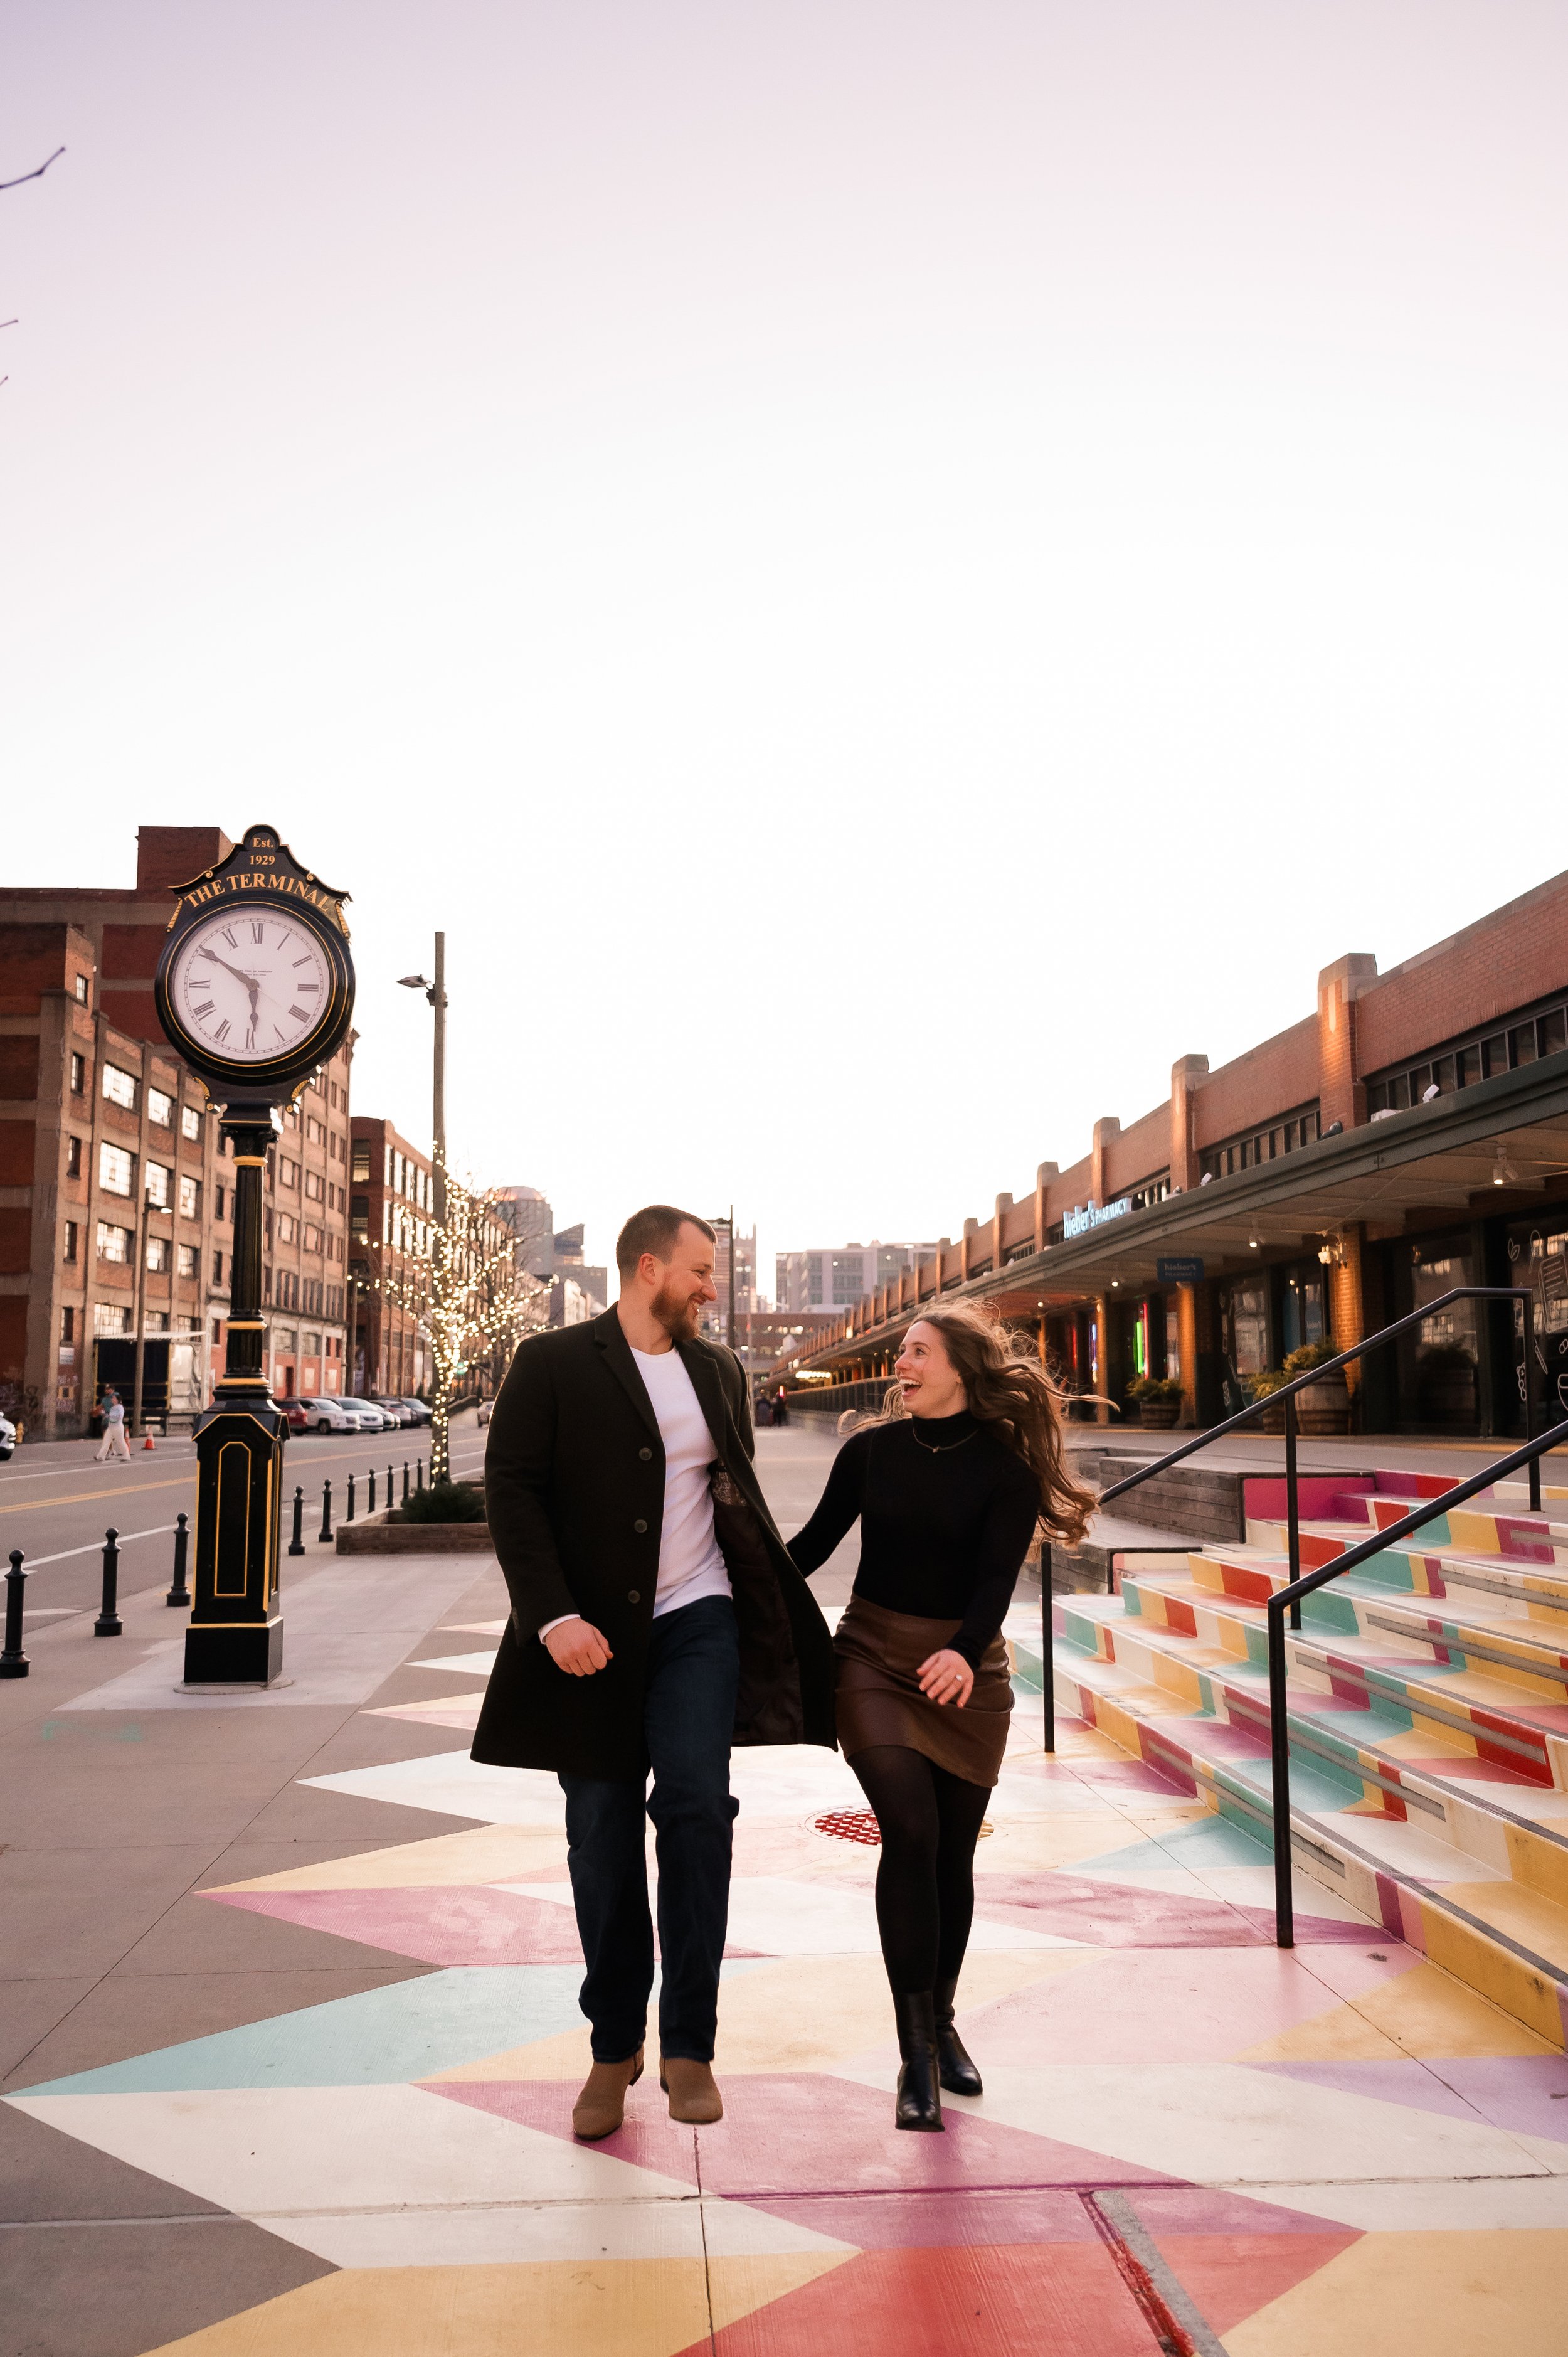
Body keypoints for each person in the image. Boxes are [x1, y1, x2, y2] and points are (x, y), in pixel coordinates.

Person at [472, 1205, 835, 2141]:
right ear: (648, 1268)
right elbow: (513, 1488)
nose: (712, 1286)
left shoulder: (717, 1369)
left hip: (697, 1620)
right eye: (701, 1270)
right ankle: (612, 2044)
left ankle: (690, 2044)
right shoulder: (551, 1363)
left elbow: (735, 1495)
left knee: (696, 1807)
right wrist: (551, 1616)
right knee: (598, 1829)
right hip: (588, 1637)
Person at [788, 1301, 1094, 2132]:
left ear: (960, 1364)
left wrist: (964, 1649)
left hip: (966, 1671)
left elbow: (996, 1581)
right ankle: (914, 2056)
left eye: (918, 1352)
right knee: (912, 1831)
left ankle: (944, 2020)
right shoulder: (869, 1453)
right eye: (902, 1353)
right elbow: (807, 1551)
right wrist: (718, 1569)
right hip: (872, 1661)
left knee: (952, 1855)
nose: (903, 1365)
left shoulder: (1006, 1469)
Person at [95, 1388, 130, 1463]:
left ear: (117, 1400)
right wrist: (104, 1414)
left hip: (118, 1427)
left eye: (113, 1398)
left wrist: (110, 1416)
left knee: (120, 1442)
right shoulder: (113, 1408)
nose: (112, 1399)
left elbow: (120, 1417)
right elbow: (109, 1416)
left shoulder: (120, 1407)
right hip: (111, 1427)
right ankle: (101, 1456)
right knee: (106, 1441)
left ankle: (126, 1455)